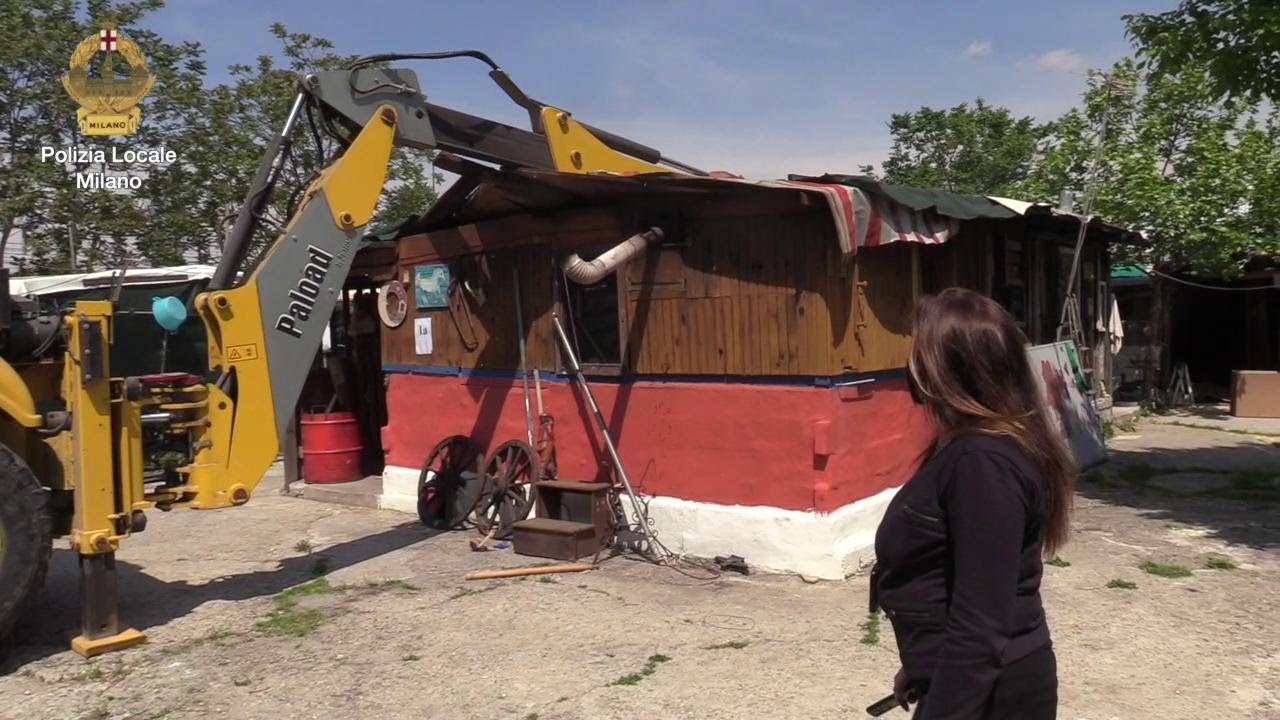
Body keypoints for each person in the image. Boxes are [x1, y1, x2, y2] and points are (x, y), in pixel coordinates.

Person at [870, 288, 1075, 719]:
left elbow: (981, 622)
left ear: (950, 367)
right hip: (972, 677)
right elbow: (954, 575)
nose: (911, 363)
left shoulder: (983, 461)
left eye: (918, 350)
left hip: (993, 692)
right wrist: (922, 664)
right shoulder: (969, 446)